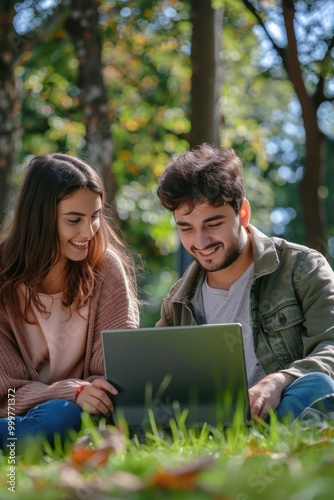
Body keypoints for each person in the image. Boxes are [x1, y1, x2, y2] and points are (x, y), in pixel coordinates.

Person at [156, 143, 334, 424]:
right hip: (213, 425)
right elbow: (157, 382)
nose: (200, 242)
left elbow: (331, 347)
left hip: (283, 409)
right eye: (186, 228)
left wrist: (279, 380)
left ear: (243, 214)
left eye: (213, 224)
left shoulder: (302, 268)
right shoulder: (177, 302)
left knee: (319, 388)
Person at [0, 153, 140, 449]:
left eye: (96, 217)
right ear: (39, 217)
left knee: (63, 418)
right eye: (74, 220)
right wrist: (69, 390)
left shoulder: (106, 270)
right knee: (56, 418)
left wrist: (87, 394)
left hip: (79, 412)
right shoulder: (3, 278)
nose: (88, 232)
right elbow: (6, 390)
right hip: (18, 412)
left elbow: (118, 368)